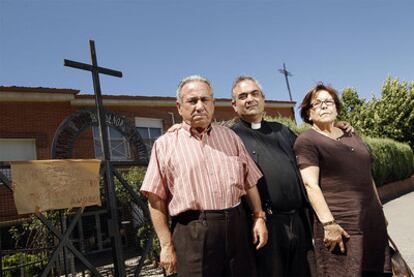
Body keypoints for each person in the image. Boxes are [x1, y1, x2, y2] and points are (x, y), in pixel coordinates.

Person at [140, 75, 268, 277]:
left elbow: (249, 181)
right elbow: (155, 198)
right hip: (192, 233)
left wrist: (259, 217)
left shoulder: (230, 137)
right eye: (192, 101)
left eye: (205, 100)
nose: (200, 106)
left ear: (213, 104)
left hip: (237, 228)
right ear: (179, 106)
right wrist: (165, 245)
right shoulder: (164, 145)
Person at [293, 83, 391, 276]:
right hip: (341, 224)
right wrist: (329, 224)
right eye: (317, 103)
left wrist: (380, 211)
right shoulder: (307, 141)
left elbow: (367, 175)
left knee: (377, 270)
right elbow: (310, 185)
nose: (324, 106)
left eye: (329, 102)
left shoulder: (351, 135)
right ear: (308, 113)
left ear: (336, 108)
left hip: (371, 220)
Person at [230, 75, 315, 277]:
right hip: (264, 226)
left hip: (299, 221)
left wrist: (336, 128)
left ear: (263, 98)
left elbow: (311, 152)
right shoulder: (231, 137)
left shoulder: (282, 131)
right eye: (243, 96)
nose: (249, 99)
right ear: (234, 105)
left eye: (254, 93)